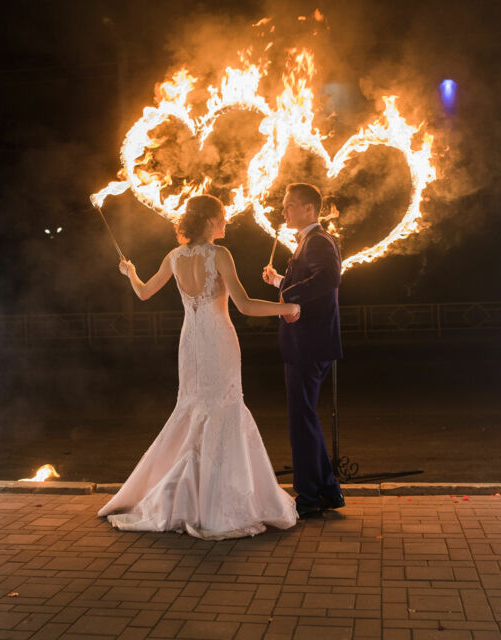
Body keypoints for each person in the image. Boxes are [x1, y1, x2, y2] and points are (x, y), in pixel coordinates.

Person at [98, 194, 301, 539]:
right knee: (222, 409)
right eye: (222, 216)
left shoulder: (175, 257)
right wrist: (288, 309)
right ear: (208, 220)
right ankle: (216, 500)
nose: (226, 222)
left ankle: (187, 493)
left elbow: (144, 293)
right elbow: (245, 306)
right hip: (218, 340)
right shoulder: (219, 254)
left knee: (193, 408)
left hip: (190, 341)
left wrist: (130, 273)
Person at [262, 183, 344, 518]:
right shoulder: (309, 241)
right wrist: (279, 281)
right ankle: (326, 491)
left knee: (302, 418)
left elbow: (328, 279)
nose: (285, 212)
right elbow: (312, 283)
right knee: (305, 416)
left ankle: (309, 496)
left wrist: (288, 295)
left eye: (291, 205)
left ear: (310, 209)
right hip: (309, 343)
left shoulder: (319, 240)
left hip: (309, 344)